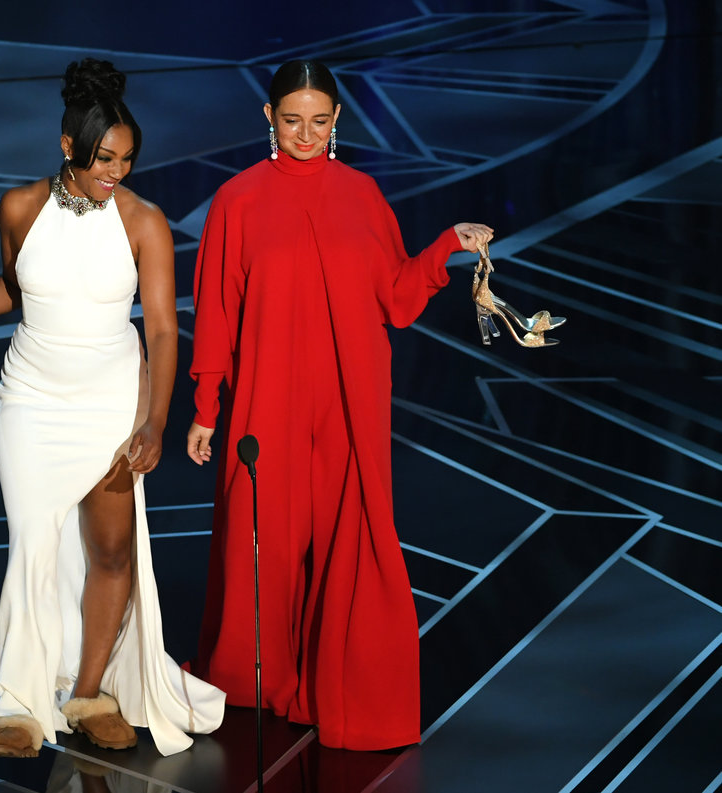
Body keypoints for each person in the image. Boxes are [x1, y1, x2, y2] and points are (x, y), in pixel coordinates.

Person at [0, 58, 224, 759]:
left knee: (111, 550)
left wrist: (155, 421)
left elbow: (163, 329)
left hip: (112, 405)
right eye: (104, 158)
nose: (117, 171)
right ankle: (19, 707)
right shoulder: (19, 207)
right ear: (67, 146)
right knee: (32, 547)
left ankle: (88, 695)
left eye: (127, 159)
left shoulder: (144, 221)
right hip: (30, 400)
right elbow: (13, 290)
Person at [185, 59, 493, 751]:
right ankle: (257, 676)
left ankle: (345, 689)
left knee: (351, 537)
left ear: (337, 120)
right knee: (265, 539)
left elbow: (397, 298)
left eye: (319, 121)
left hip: (351, 402)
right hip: (267, 399)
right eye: (292, 120)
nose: (306, 134)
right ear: (269, 117)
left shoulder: (362, 194)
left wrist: (446, 245)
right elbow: (216, 313)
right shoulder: (237, 200)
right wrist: (207, 406)